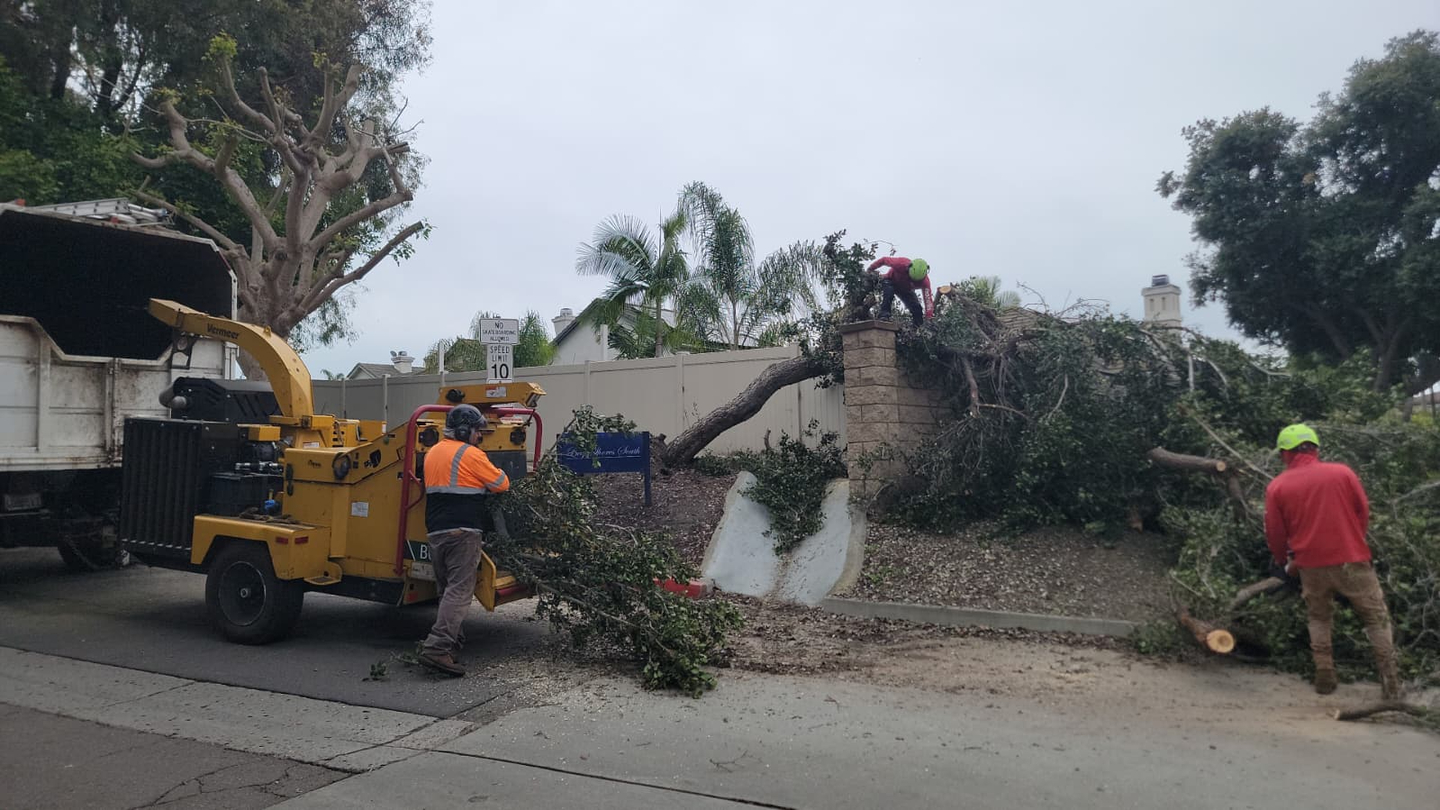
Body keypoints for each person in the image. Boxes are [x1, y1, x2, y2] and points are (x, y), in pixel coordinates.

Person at [1263, 423, 1401, 699]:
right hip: (1353, 559)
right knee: (1375, 618)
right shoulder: (1343, 473)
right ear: (1314, 448)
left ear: (1286, 453)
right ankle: (1390, 680)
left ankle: (1324, 672)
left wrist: (1283, 561)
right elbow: (1363, 510)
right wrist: (1353, 541)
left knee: (1319, 617)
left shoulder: (1277, 486)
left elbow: (1276, 533)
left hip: (1310, 565)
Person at [418, 404, 511, 676]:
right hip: (464, 532)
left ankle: (451, 645)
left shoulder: (432, 452)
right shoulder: (471, 454)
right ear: (463, 430)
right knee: (460, 591)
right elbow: (502, 484)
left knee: (446, 591)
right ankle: (437, 648)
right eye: (476, 431)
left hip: (436, 531)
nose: (479, 436)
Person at [866, 256, 934, 326]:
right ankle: (884, 315)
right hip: (890, 280)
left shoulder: (925, 282)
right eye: (911, 277)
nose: (911, 280)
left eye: (915, 281)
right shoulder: (901, 263)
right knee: (889, 293)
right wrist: (870, 269)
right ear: (908, 268)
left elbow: (928, 300)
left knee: (917, 308)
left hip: (905, 289)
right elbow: (884, 260)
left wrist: (929, 317)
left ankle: (918, 327)